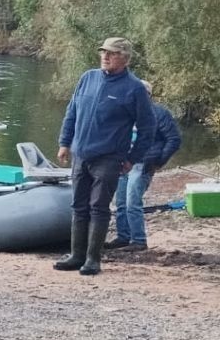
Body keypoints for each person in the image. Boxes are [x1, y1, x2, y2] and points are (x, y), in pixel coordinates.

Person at [54, 37, 154, 276]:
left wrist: (132, 158)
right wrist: (64, 143)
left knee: (98, 207)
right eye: (103, 52)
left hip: (109, 158)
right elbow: (72, 111)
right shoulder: (88, 78)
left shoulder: (134, 88)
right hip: (81, 154)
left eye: (112, 53)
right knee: (78, 206)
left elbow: (147, 128)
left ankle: (93, 259)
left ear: (125, 58)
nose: (105, 56)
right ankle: (76, 255)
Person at [107, 79, 182, 251]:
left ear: (147, 95)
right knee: (120, 202)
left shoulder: (159, 114)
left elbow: (174, 139)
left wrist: (158, 161)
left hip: (143, 163)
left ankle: (139, 240)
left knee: (133, 202)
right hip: (123, 163)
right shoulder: (127, 114)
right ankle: (123, 237)